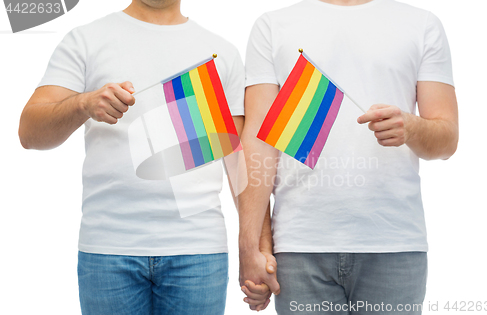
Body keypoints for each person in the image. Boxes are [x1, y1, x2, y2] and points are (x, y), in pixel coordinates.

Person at [19, 0, 247, 314]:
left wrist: (255, 246)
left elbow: (239, 162)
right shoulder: (85, 39)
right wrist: (83, 104)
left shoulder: (221, 52)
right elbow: (29, 133)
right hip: (108, 249)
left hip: (198, 249)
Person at [239, 0, 458, 314]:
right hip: (299, 246)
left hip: (393, 244)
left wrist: (411, 127)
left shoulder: (421, 24)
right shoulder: (273, 25)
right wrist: (252, 245)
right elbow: (258, 143)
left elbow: (447, 140)